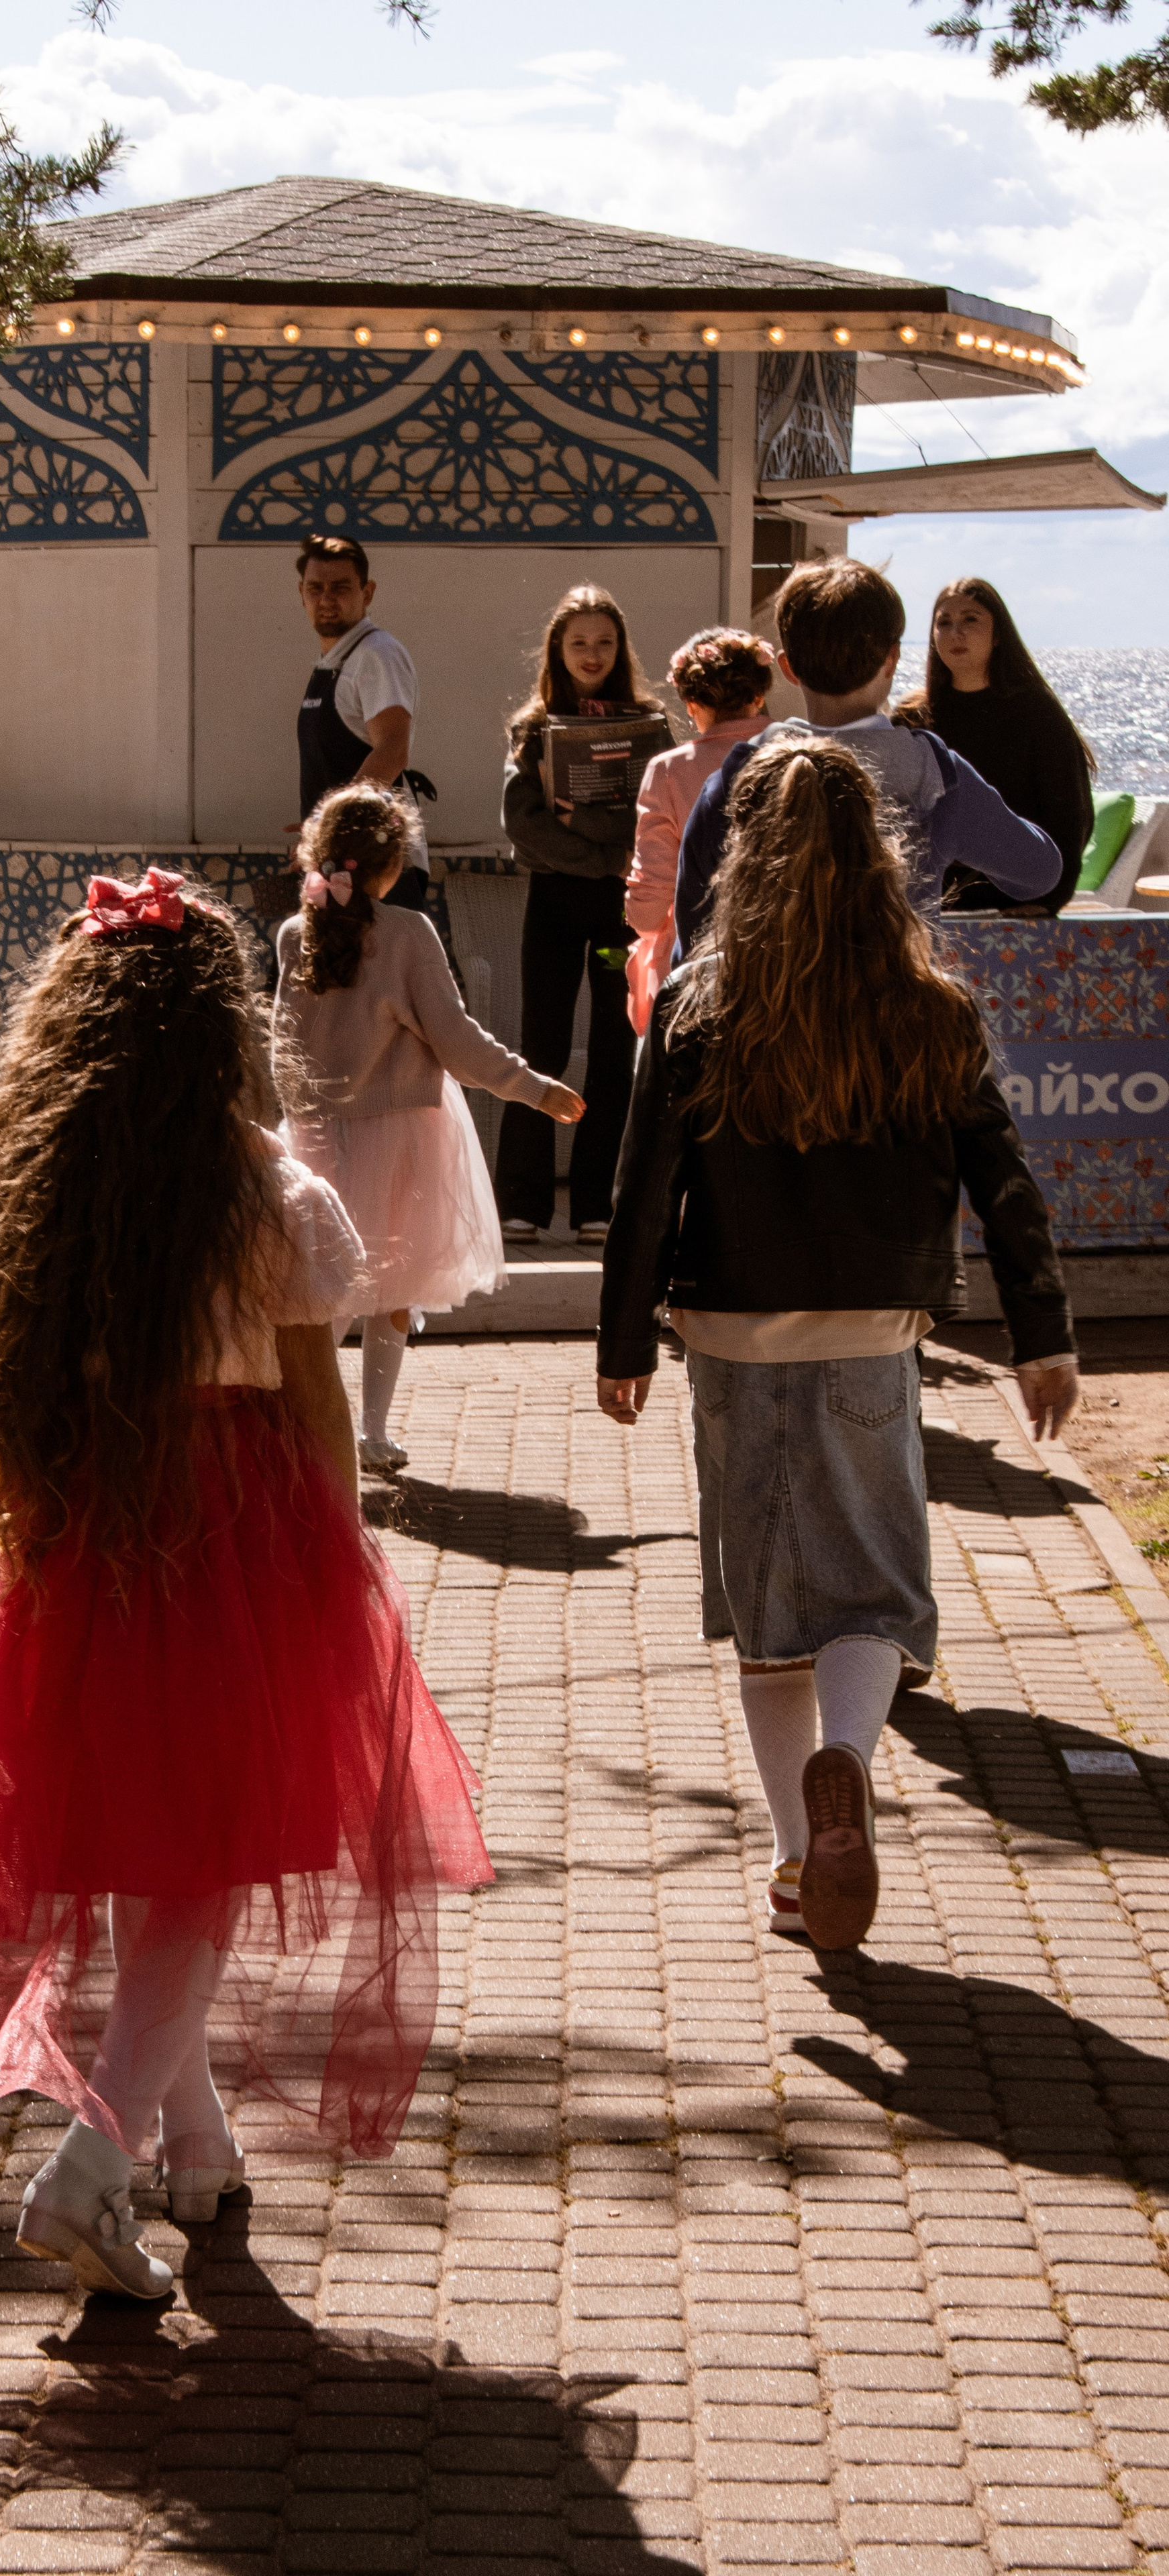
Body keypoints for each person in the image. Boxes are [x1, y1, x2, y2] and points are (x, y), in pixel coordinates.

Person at [0, 867, 493, 2293]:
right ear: (220, 1035)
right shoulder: (269, 1194)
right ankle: (92, 2161)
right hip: (230, 1535)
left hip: (74, 1537)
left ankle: (194, 2142)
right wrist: (337, 1566)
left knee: (147, 1834)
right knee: (206, 1856)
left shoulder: (26, 1198)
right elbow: (311, 1397)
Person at [598, 738, 1078, 1951]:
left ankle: (794, 1861)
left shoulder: (701, 1005)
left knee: (769, 1619)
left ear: (744, 857)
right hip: (875, 1331)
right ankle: (849, 1760)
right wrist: (1043, 1335)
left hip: (732, 1333)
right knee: (875, 1590)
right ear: (881, 856)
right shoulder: (931, 1003)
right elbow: (1002, 1176)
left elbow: (644, 1184)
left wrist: (623, 1341)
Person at [274, 785, 583, 1472]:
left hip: (318, 1133)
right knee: (392, 1285)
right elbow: (456, 1039)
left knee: (326, 1287)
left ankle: (309, 1428)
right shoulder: (408, 932)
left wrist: (297, 1122)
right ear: (390, 868)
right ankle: (373, 1434)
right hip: (402, 1133)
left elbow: (281, 1043)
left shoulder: (297, 932)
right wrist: (531, 1088)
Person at [674, 559, 1061, 958]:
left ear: (788, 667)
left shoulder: (744, 771)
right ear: (891, 659)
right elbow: (1039, 872)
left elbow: (692, 932)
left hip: (771, 1015)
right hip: (896, 1013)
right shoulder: (933, 772)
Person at [495, 585, 674, 1244]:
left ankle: (596, 1205)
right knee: (538, 1046)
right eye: (578, 643)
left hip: (619, 913)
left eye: (603, 642)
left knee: (610, 1047)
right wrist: (603, 849)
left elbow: (650, 820)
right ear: (558, 651)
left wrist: (588, 824)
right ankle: (523, 1203)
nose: (591, 654)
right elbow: (522, 827)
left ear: (619, 649)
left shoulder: (650, 727)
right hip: (553, 905)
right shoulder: (532, 727)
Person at [895, 575, 1095, 916]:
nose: (955, 632)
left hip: (1015, 907)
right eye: (944, 623)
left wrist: (1048, 900)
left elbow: (1070, 817)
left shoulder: (1037, 712)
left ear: (999, 634)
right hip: (928, 908)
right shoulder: (913, 718)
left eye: (970, 620)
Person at [624, 628, 774, 1037]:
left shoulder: (668, 771)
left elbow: (648, 907)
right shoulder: (799, 752)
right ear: (759, 695)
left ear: (692, 704)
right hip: (788, 960)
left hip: (696, 970)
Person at [296, 533, 431, 910]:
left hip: (378, 865)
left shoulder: (377, 653)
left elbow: (391, 752)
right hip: (339, 859)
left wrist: (327, 824)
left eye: (341, 587)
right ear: (302, 594)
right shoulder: (334, 661)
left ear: (368, 592)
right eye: (316, 588)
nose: (326, 599)